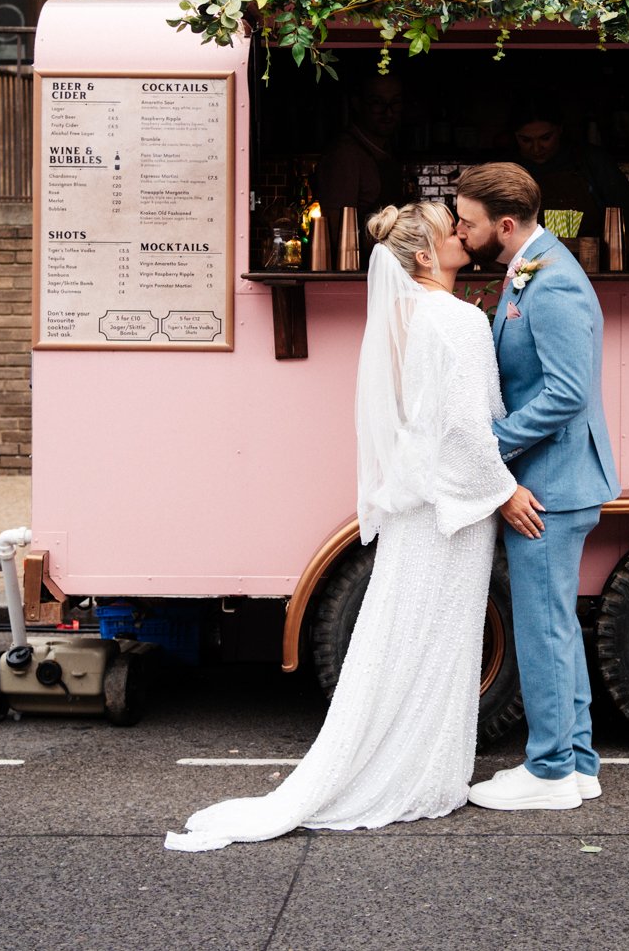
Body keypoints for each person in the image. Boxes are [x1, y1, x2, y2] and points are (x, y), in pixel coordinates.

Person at [166, 201, 543, 851]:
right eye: (447, 227)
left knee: (402, 634)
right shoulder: (457, 319)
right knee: (441, 639)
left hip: (417, 505)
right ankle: (424, 774)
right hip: (455, 510)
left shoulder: (400, 317)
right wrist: (505, 489)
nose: (461, 230)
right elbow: (468, 423)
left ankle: (402, 764)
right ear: (424, 256)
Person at [454, 162, 620, 811]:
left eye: (466, 220)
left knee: (542, 624)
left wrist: (490, 445)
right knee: (555, 623)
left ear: (503, 223)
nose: (459, 230)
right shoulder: (532, 268)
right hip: (556, 476)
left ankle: (549, 769)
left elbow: (567, 393)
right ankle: (576, 762)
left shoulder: (552, 283)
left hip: (553, 481)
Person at [508, 98, 629, 242]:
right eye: (526, 140)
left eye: (545, 138)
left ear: (559, 130)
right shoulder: (507, 170)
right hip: (523, 262)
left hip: (590, 260)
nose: (536, 148)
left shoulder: (592, 162)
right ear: (515, 136)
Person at [315, 73, 406, 238]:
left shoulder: (386, 150)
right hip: (359, 262)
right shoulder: (345, 155)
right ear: (358, 104)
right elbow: (335, 231)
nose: (388, 112)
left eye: (395, 103)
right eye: (377, 103)